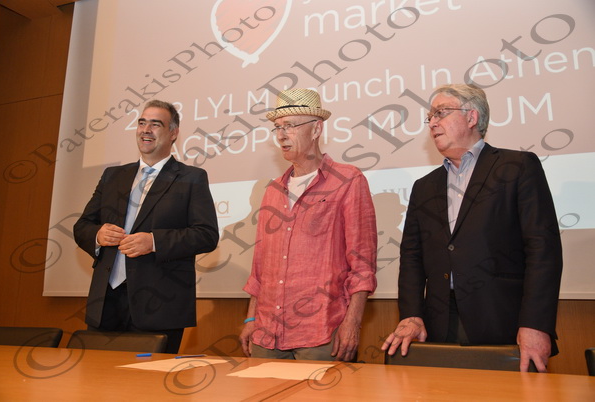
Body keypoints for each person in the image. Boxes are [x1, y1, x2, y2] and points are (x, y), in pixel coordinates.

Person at [381, 84, 563, 372]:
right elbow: (412, 257)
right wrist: (412, 315)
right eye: (430, 117)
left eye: (441, 113)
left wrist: (535, 324)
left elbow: (543, 251)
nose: (432, 123)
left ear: (471, 117)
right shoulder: (424, 186)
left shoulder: (517, 167)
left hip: (505, 322)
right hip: (439, 324)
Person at [239, 88, 377, 361]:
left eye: (290, 126)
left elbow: (362, 264)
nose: (281, 135)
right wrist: (250, 319)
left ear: (316, 129)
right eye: (278, 127)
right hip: (266, 333)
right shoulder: (273, 191)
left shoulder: (348, 180)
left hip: (322, 332)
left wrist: (353, 323)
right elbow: (260, 267)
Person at [74, 99, 219, 353]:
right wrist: (98, 234)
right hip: (106, 303)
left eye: (155, 124)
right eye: (141, 123)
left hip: (159, 306)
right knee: (95, 377)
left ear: (173, 133)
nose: (145, 130)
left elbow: (206, 235)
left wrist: (153, 242)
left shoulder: (192, 178)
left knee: (148, 379)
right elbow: (82, 226)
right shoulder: (113, 176)